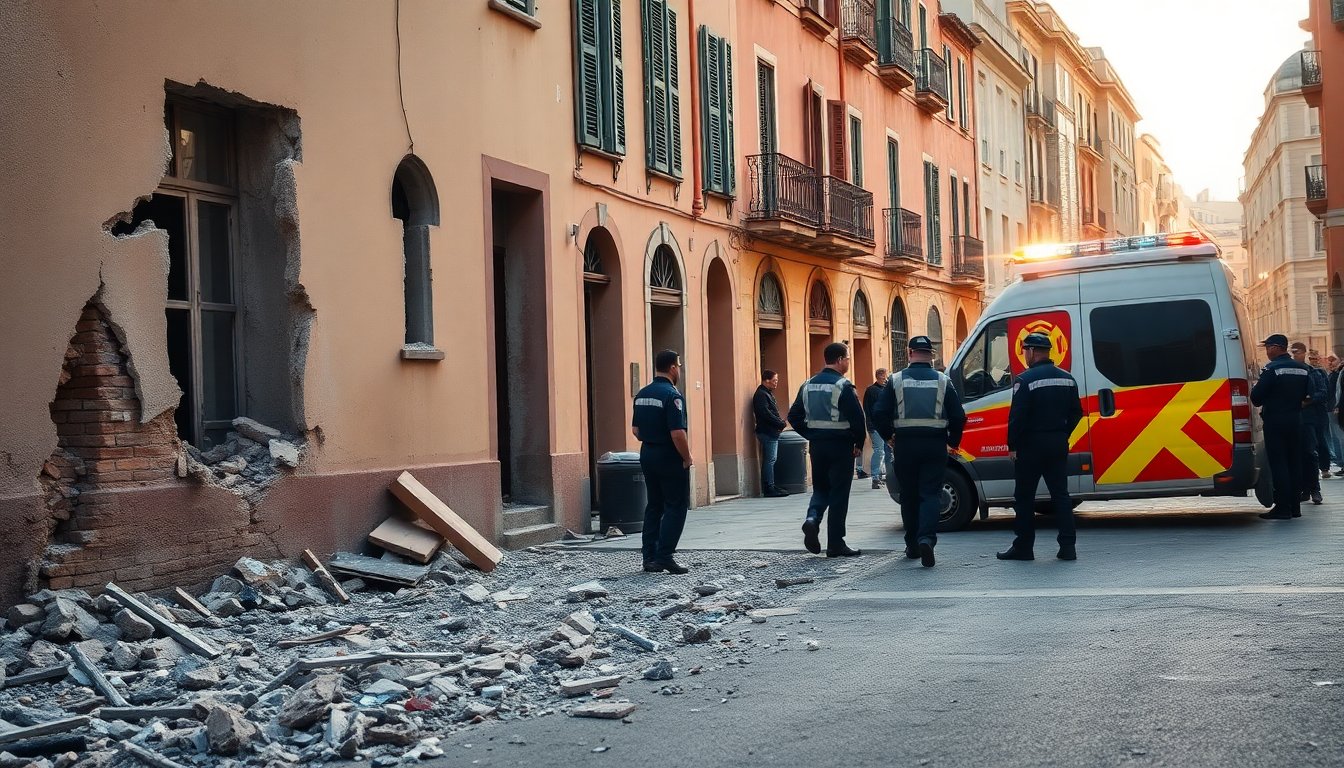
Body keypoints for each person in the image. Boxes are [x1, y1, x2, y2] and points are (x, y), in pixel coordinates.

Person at [873, 337, 967, 568]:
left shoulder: (895, 380)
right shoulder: (943, 381)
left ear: (910, 352)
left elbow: (879, 413)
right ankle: (927, 539)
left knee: (909, 496)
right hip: (934, 445)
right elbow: (958, 416)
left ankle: (913, 545)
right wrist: (952, 441)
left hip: (905, 445)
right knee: (930, 494)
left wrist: (889, 436)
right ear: (931, 354)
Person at [997, 332, 1084, 562]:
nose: (1024, 355)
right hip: (1057, 444)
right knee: (1061, 496)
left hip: (1030, 447)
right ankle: (1068, 547)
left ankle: (1024, 548)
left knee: (1024, 498)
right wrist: (1062, 433)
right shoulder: (1067, 378)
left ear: (1033, 351)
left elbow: (1017, 417)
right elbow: (1077, 412)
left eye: (1025, 350)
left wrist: (1013, 445)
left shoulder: (1025, 380)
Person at [787, 342, 867, 557]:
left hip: (818, 447)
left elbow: (793, 416)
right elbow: (858, 420)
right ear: (840, 360)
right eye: (848, 358)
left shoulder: (807, 385)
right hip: (841, 448)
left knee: (821, 488)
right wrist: (858, 444)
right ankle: (835, 544)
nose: (848, 362)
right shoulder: (843, 386)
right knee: (839, 494)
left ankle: (812, 518)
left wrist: (812, 434)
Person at [631, 349, 693, 574]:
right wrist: (687, 457)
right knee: (675, 506)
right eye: (679, 367)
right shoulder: (672, 395)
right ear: (673, 368)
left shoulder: (642, 394)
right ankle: (665, 556)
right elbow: (677, 433)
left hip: (647, 453)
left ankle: (649, 557)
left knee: (654, 506)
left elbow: (636, 430)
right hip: (669, 455)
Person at [1251, 334, 1310, 520]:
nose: (1267, 351)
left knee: (1279, 464)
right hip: (1296, 420)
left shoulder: (1272, 369)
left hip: (1275, 421)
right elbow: (1308, 396)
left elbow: (1256, 397)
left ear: (1277, 347)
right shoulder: (1302, 369)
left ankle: (1283, 507)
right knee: (1294, 463)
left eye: (1268, 347)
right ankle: (1295, 507)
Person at [1289, 342, 1327, 505]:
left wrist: (1307, 401)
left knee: (1310, 453)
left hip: (1308, 417)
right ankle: (1302, 488)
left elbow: (1322, 393)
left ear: (1303, 353)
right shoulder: (1289, 370)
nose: (1294, 355)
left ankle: (1314, 489)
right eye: (1292, 352)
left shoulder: (1313, 372)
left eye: (1296, 352)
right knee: (1296, 454)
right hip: (1292, 418)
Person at [753, 369, 790, 498]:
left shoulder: (766, 393)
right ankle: (769, 487)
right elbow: (766, 413)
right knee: (770, 460)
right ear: (766, 381)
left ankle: (771, 485)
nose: (776, 383)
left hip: (770, 431)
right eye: (774, 381)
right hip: (767, 431)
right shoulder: (761, 394)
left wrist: (779, 422)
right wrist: (780, 423)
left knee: (771, 460)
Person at [858, 368, 890, 489]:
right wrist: (870, 424)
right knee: (879, 450)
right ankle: (876, 477)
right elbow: (867, 408)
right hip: (875, 426)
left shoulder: (886, 389)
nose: (884, 380)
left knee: (886, 452)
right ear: (877, 377)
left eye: (885, 378)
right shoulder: (871, 390)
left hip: (885, 426)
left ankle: (882, 475)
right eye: (882, 378)